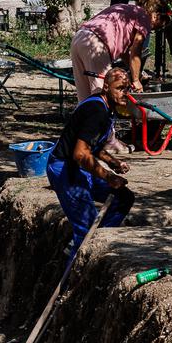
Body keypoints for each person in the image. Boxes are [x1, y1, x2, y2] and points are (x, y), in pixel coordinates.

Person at [46, 68, 135, 267]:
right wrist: (109, 176)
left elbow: (92, 147)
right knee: (85, 228)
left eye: (127, 89)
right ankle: (71, 278)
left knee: (124, 198)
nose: (124, 93)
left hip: (80, 168)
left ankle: (93, 245)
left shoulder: (104, 107)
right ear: (106, 87)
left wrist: (113, 162)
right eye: (120, 88)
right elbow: (80, 154)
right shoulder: (97, 111)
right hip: (65, 169)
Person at [71, 0, 164, 103]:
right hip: (96, 45)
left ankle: (84, 119)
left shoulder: (125, 9)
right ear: (155, 15)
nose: (154, 29)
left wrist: (136, 72)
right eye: (160, 25)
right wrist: (135, 81)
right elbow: (136, 50)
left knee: (84, 97)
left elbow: (124, 53)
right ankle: (100, 119)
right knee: (102, 93)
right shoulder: (144, 16)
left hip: (79, 38)